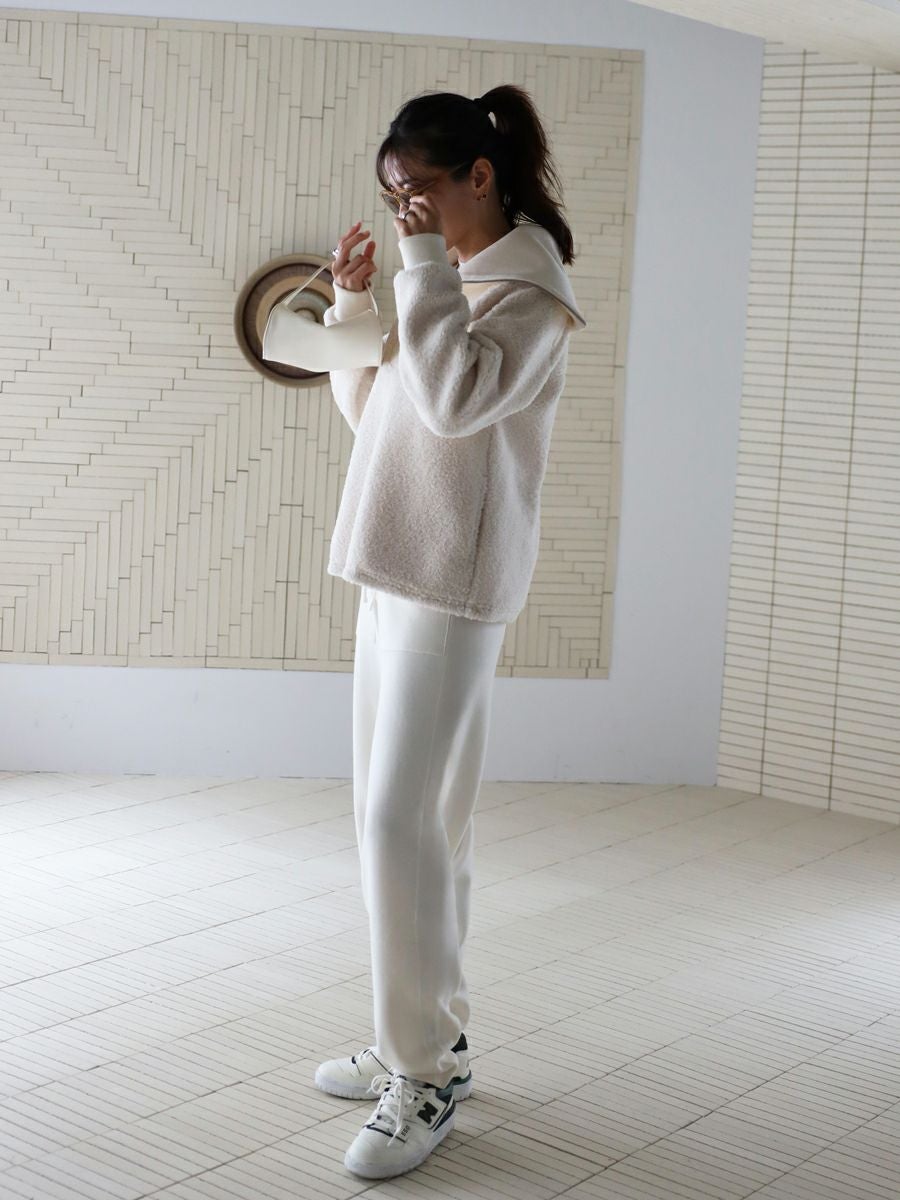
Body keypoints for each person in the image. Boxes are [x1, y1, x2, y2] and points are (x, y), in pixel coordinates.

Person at [312, 84, 586, 1180]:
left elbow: (457, 403)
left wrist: (420, 270)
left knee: (403, 822)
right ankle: (423, 1041)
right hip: (394, 566)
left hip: (451, 582)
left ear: (481, 175)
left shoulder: (529, 292)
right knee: (415, 823)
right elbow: (377, 413)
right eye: (393, 198)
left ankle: (421, 1075)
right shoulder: (455, 274)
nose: (406, 213)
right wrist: (353, 303)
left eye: (417, 191)